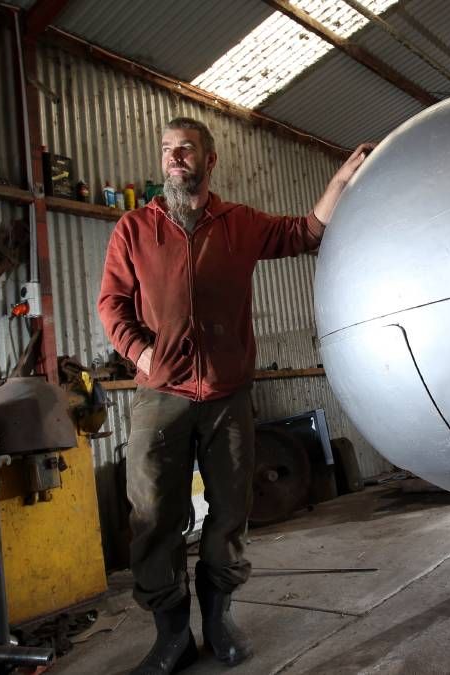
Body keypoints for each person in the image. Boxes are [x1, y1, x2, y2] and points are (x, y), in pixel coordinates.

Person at [98, 116, 372, 674]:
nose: (176, 158)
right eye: (169, 150)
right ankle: (171, 634)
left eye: (187, 149)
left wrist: (340, 180)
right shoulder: (134, 228)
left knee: (230, 512)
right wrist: (142, 354)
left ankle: (219, 620)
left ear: (209, 159)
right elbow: (111, 303)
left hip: (227, 396)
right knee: (153, 515)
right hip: (160, 396)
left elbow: (306, 233)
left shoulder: (238, 223)